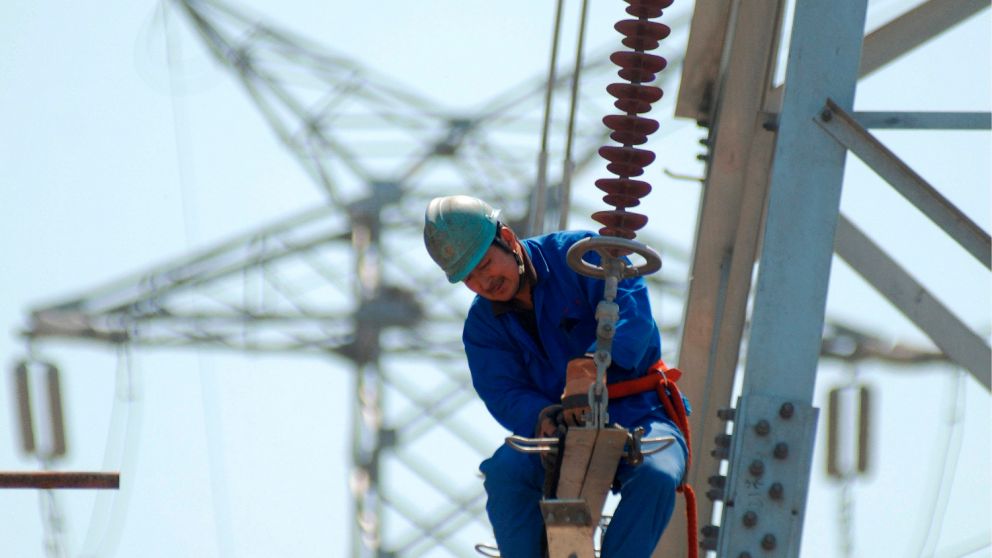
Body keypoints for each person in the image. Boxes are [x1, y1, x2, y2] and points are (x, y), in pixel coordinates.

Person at [423, 195, 688, 558]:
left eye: (485, 264)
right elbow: (503, 391)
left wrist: (590, 365)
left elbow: (635, 318)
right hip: (560, 430)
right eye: (469, 278)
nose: (485, 281)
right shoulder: (483, 327)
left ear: (508, 239)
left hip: (640, 410)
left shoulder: (583, 257)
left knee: (657, 473)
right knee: (505, 474)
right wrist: (543, 416)